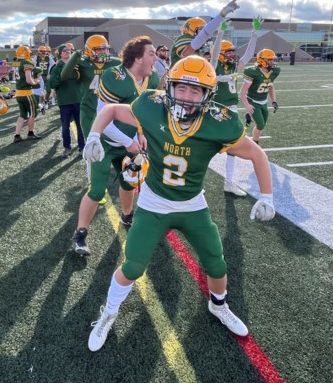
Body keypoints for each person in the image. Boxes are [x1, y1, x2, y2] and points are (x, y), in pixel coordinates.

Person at [82, 55, 276, 351]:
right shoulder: (151, 107)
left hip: (191, 204)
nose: (187, 96)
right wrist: (94, 135)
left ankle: (218, 306)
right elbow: (110, 109)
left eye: (195, 91)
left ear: (208, 95)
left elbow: (257, 154)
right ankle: (108, 313)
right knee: (133, 266)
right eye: (181, 88)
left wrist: (267, 195)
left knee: (216, 262)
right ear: (169, 88)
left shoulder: (218, 123)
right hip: (153, 202)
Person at [71, 36, 159, 255]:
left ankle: (127, 215)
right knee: (97, 189)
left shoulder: (153, 79)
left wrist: (141, 133)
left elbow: (144, 114)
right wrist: (129, 142)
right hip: (105, 142)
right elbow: (104, 119)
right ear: (138, 58)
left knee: (130, 182)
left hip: (130, 143)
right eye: (151, 53)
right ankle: (80, 233)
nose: (156, 58)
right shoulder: (114, 76)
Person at [211, 17, 260, 195]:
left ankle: (229, 182)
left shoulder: (234, 66)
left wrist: (254, 34)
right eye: (229, 52)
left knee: (233, 145)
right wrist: (221, 33)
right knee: (204, 146)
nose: (232, 55)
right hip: (214, 109)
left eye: (233, 52)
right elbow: (215, 53)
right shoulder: (213, 65)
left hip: (231, 108)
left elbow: (248, 55)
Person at [60, 35, 122, 135]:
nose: (103, 52)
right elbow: (64, 75)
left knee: (111, 143)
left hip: (111, 108)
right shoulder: (82, 63)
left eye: (105, 49)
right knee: (91, 142)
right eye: (99, 50)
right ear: (89, 50)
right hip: (89, 108)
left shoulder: (116, 62)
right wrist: (75, 56)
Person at [170, 0, 242, 66]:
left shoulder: (199, 48)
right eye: (200, 30)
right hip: (176, 76)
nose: (203, 33)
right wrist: (220, 16)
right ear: (191, 30)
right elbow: (186, 53)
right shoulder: (184, 38)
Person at [49, 44, 84, 157]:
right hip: (65, 101)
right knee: (65, 126)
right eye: (64, 50)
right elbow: (52, 83)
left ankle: (82, 147)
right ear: (60, 53)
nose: (67, 52)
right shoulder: (56, 67)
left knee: (81, 125)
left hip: (78, 99)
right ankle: (67, 147)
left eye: (69, 50)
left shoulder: (78, 65)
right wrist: (62, 75)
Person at [239, 48, 281, 145]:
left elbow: (271, 86)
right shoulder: (253, 72)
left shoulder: (274, 71)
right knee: (260, 125)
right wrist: (247, 105)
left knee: (262, 125)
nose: (272, 62)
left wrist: (274, 101)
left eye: (272, 59)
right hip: (253, 101)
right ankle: (255, 143)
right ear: (262, 60)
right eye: (269, 60)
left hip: (263, 102)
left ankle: (249, 117)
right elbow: (242, 92)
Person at [12, 45, 43, 142]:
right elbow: (29, 80)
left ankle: (17, 135)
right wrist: (36, 81)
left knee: (22, 114)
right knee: (33, 113)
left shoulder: (16, 63)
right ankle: (30, 133)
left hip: (18, 93)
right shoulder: (27, 62)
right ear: (26, 53)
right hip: (26, 93)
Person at [34, 45, 54, 112]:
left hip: (46, 76)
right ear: (39, 52)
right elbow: (32, 65)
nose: (44, 53)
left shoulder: (49, 58)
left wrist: (50, 74)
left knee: (49, 90)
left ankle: (46, 101)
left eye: (45, 51)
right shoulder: (36, 58)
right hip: (39, 76)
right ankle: (40, 104)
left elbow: (53, 66)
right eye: (42, 51)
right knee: (40, 91)